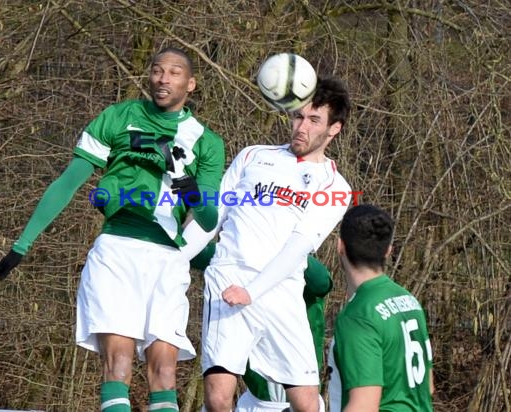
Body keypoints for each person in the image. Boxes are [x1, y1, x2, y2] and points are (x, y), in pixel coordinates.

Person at [0, 47, 225, 412]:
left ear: (190, 83)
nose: (163, 78)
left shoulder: (206, 141)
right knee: (118, 364)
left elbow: (207, 220)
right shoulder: (118, 116)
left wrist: (184, 182)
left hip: (167, 260)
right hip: (116, 251)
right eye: (157, 70)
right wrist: (22, 243)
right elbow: (69, 182)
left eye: (174, 73)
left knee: (164, 372)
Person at [183, 77, 352, 412]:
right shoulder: (252, 157)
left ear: (334, 129)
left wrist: (254, 290)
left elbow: (297, 248)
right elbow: (212, 219)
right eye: (298, 116)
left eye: (314, 120)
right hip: (229, 278)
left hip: (281, 290)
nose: (302, 126)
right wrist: (174, 259)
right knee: (218, 397)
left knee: (307, 403)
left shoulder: (336, 186)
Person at [189, 244, 333, 411]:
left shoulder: (304, 271)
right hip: (256, 404)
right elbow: (196, 250)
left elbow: (323, 282)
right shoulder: (240, 262)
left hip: (302, 402)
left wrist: (283, 249)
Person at [327, 204, 434, 411]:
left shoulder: (358, 316)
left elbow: (364, 406)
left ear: (340, 246)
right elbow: (427, 386)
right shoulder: (409, 301)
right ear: (388, 251)